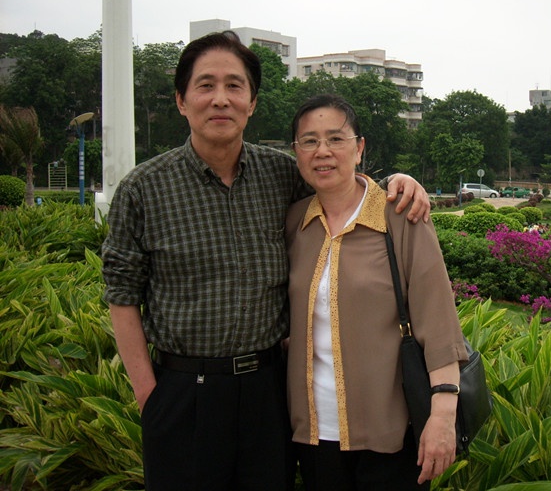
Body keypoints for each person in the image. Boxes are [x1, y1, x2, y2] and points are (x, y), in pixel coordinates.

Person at [101, 32, 431, 491]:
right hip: (183, 392)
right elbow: (122, 295)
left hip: (268, 394)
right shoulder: (144, 189)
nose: (221, 99)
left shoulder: (280, 175)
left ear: (252, 103)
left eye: (234, 86)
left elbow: (340, 184)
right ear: (181, 100)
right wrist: (149, 396)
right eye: (206, 85)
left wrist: (399, 180)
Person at [285, 94, 468, 490]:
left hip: (392, 433)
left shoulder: (400, 214)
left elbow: (438, 321)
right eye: (310, 141)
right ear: (296, 152)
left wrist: (443, 414)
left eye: (336, 139)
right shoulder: (295, 222)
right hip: (313, 434)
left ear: (359, 148)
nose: (323, 152)